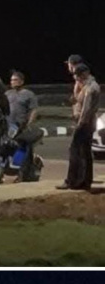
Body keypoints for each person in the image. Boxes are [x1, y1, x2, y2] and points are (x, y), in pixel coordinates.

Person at [57, 63, 101, 191]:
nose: (76, 78)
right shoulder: (88, 86)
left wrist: (80, 124)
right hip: (89, 122)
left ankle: (72, 181)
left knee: (75, 151)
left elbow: (86, 109)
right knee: (85, 152)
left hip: (85, 123)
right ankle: (84, 181)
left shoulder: (90, 88)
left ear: (85, 74)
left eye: (78, 75)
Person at [6, 70, 43, 182]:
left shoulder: (28, 94)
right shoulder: (7, 94)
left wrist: (29, 124)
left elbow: (34, 110)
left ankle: (23, 174)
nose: (13, 82)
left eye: (15, 80)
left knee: (23, 149)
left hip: (22, 127)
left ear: (22, 81)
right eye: (12, 80)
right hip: (9, 127)